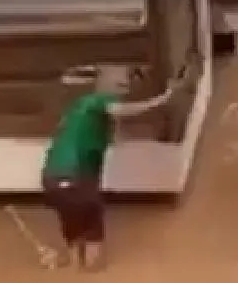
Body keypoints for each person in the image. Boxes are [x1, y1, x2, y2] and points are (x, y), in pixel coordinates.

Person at [40, 65, 188, 271]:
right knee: (93, 237)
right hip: (78, 177)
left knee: (74, 232)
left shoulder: (78, 110)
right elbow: (120, 111)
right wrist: (163, 99)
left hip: (52, 181)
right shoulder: (99, 102)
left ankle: (71, 277)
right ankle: (90, 280)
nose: (125, 89)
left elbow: (115, 131)